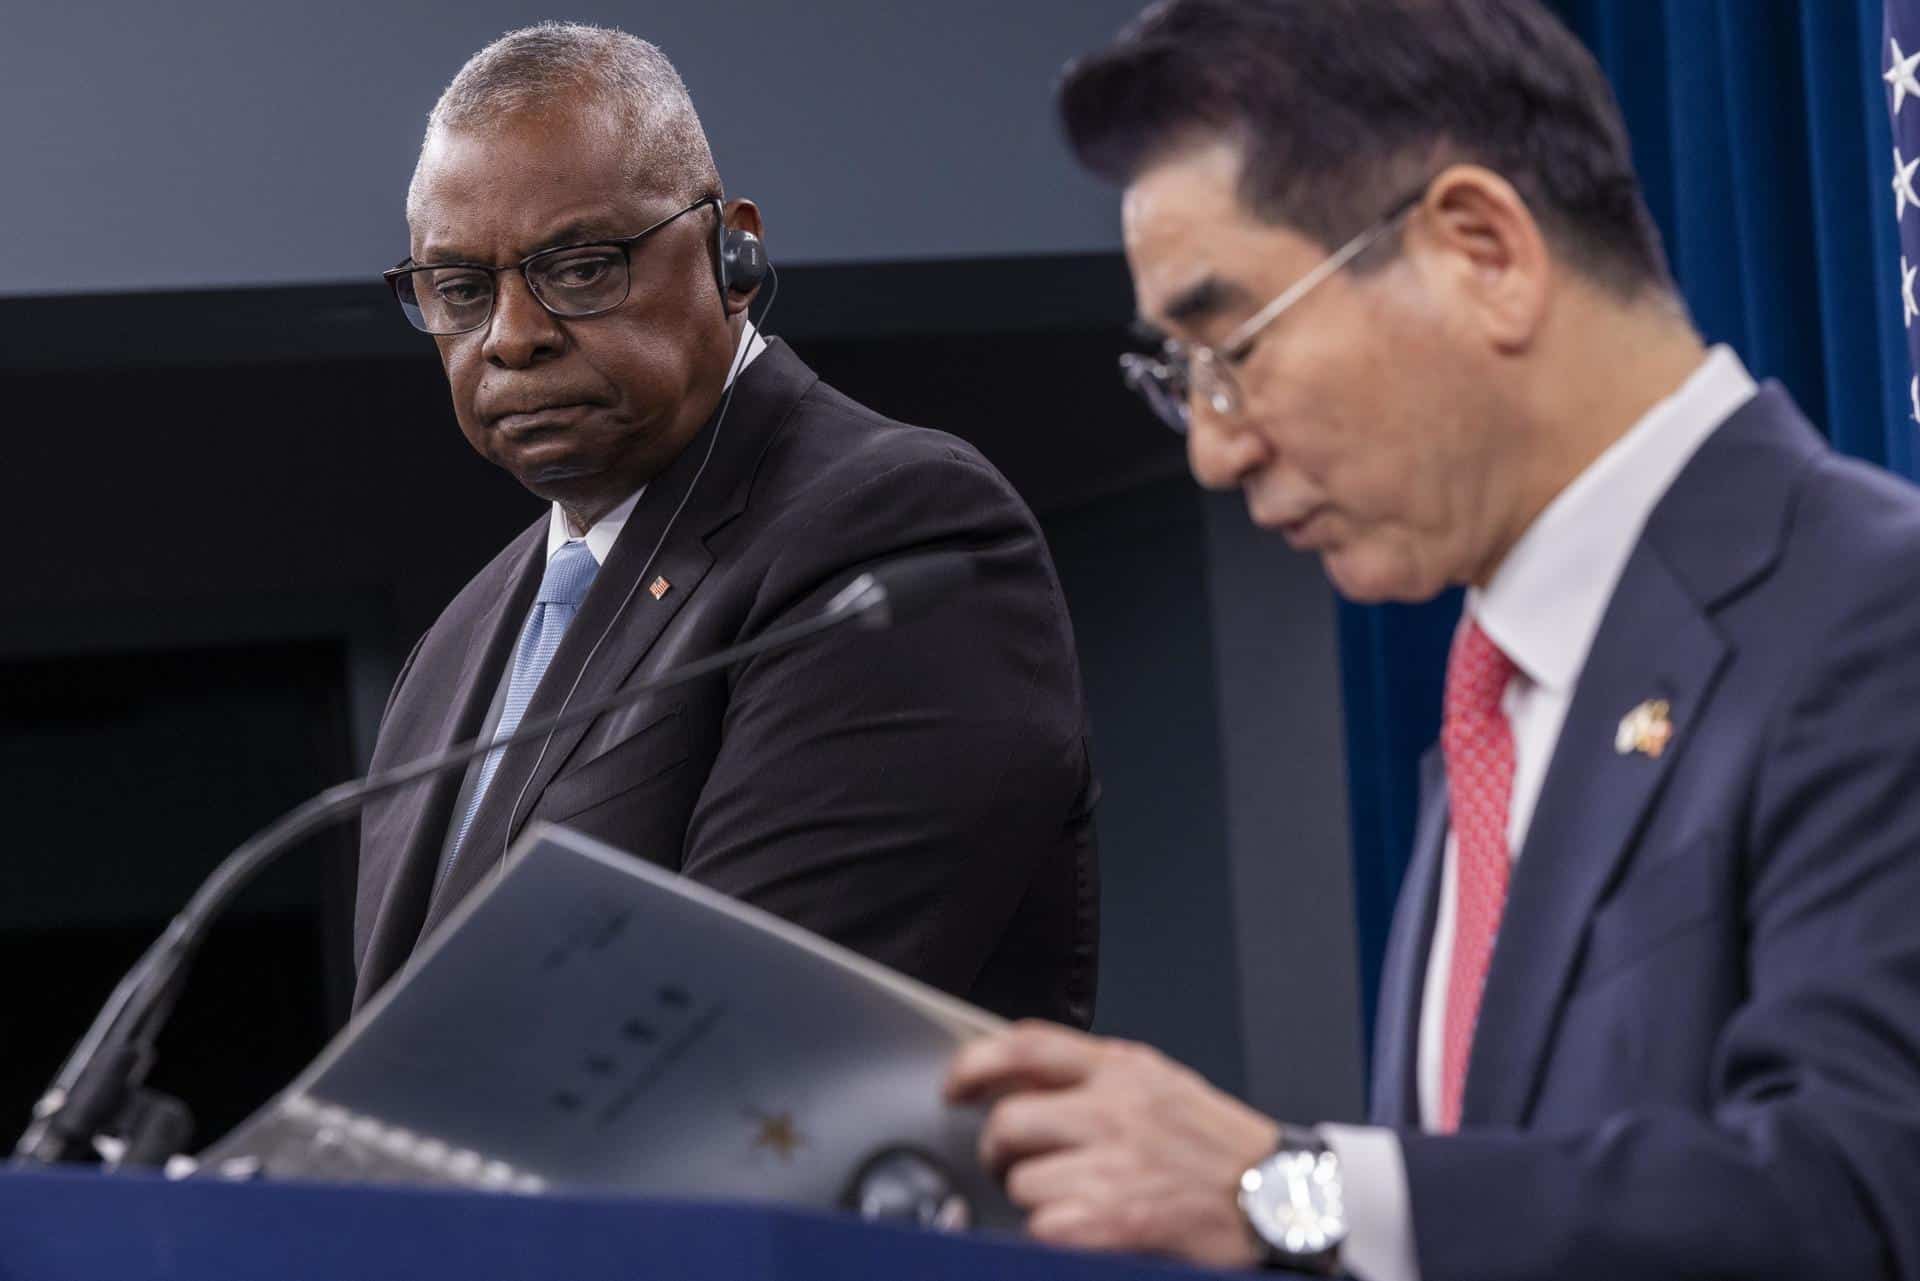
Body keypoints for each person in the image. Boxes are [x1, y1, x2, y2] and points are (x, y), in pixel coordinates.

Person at [946, 1, 1920, 1276]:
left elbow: (1865, 1196)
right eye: (1177, 377)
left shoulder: (1876, 611)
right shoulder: (1498, 696)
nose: (1213, 446)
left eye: (1230, 347)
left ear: (1482, 251)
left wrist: (1283, 1194)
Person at [353, 23, 1098, 1030]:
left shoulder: (894, 528)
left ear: (731, 256)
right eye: (460, 290)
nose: (512, 337)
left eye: (579, 269)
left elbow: (738, 1041)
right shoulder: (450, 651)